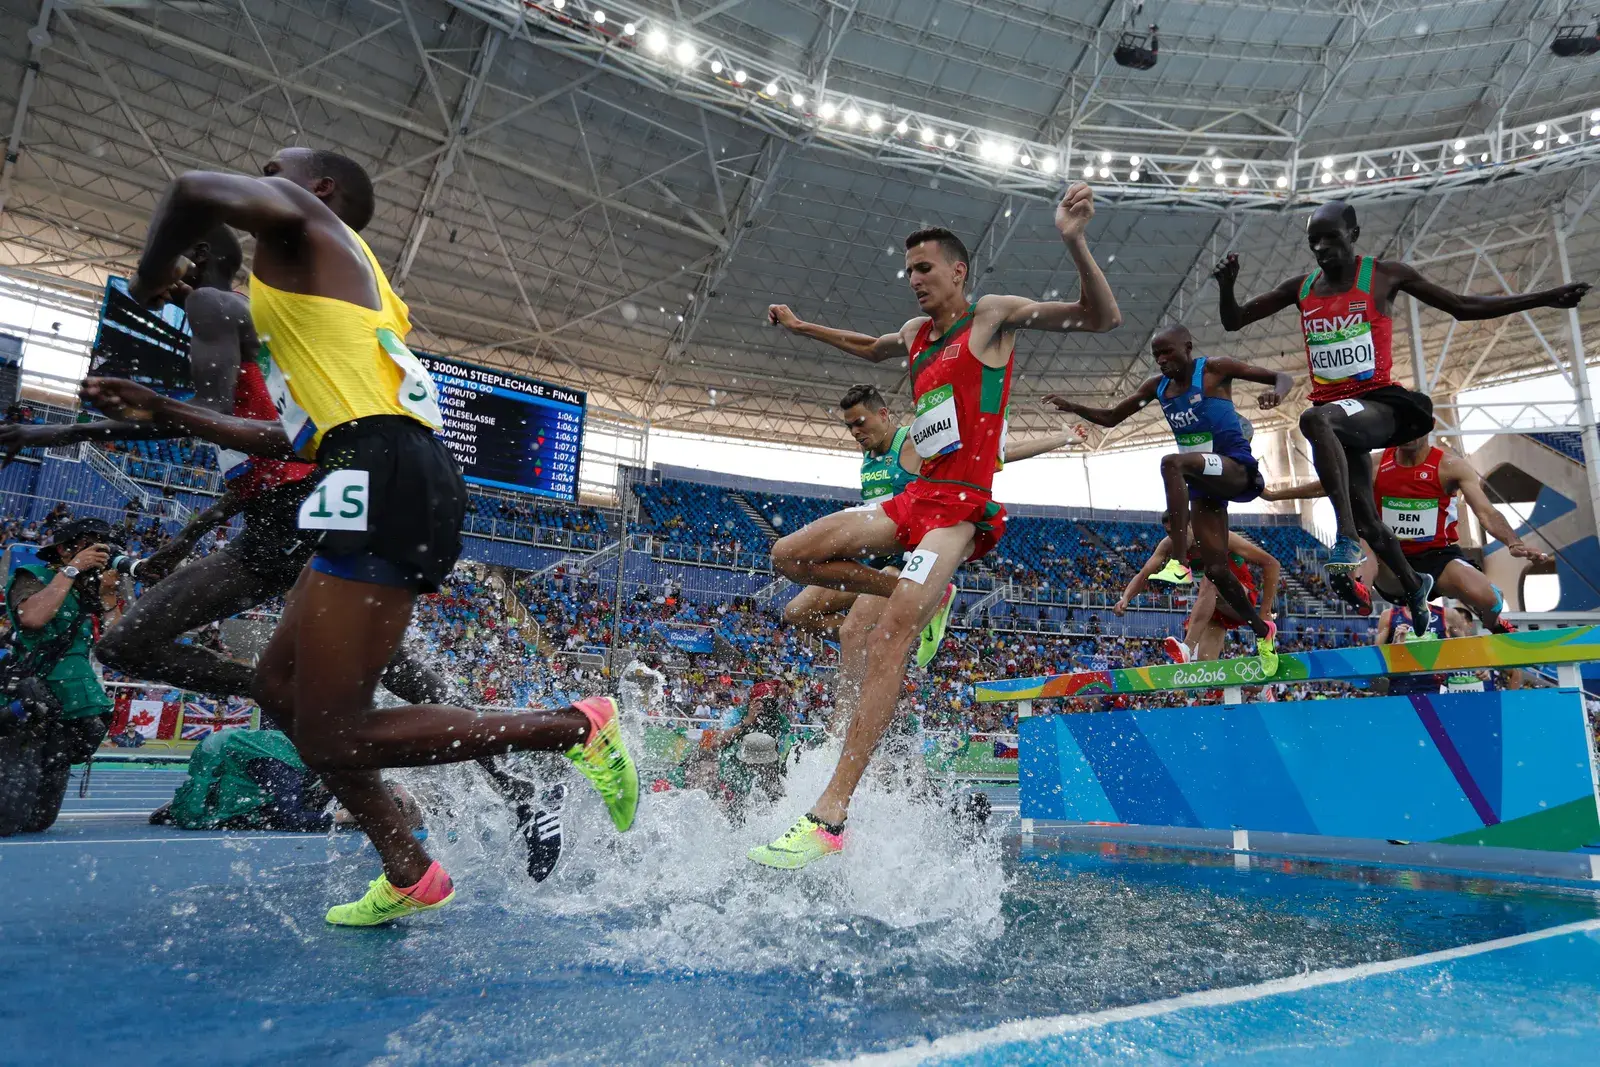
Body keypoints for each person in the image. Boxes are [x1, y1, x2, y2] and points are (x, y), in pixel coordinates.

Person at [85, 146, 637, 925]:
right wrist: (164, 409)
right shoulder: (328, 292)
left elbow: (190, 189)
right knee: (283, 692)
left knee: (336, 730)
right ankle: (411, 869)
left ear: (319, 189)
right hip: (359, 464)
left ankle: (573, 727)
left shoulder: (308, 225)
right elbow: (296, 436)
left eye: (275, 165)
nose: (261, 171)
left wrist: (145, 287)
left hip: (385, 468)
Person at [14, 227, 567, 878]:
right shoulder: (227, 318)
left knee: (390, 677)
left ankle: (528, 764)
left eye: (157, 260)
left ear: (200, 262)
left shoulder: (212, 307)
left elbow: (216, 418)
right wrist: (186, 540)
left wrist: (54, 429)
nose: (144, 274)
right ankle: (501, 781)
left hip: (309, 517)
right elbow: (246, 445)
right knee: (137, 644)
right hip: (276, 523)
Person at [753, 181, 1120, 868]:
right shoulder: (916, 334)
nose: (914, 280)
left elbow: (1100, 317)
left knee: (890, 637)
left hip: (961, 511)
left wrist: (1074, 240)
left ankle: (830, 814)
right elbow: (869, 348)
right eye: (909, 270)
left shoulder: (992, 317)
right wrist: (803, 327)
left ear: (957, 271)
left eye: (925, 268)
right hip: (914, 500)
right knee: (788, 554)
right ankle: (901, 590)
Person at [1213, 199, 1589, 627]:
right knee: (1373, 520)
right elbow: (1234, 322)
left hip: (1381, 405)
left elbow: (1462, 307)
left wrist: (1541, 299)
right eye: (1313, 241)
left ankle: (1347, 538)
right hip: (1340, 419)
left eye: (1330, 238)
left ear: (1353, 235)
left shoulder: (1385, 275)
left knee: (1314, 420)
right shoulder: (1300, 289)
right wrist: (1228, 286)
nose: (1321, 248)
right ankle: (1414, 589)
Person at [1047, 325, 1291, 670]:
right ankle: (1262, 632)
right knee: (1219, 571)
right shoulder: (1157, 388)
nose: (1162, 360)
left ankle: (1179, 563)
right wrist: (1073, 406)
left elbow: (1282, 377)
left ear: (1188, 348)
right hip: (1205, 484)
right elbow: (1113, 417)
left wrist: (1277, 394)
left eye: (1168, 352)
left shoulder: (1215, 369)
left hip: (1235, 468)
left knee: (1172, 463)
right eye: (1156, 355)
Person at [1262, 430, 1550, 633]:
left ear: (1429, 428)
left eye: (1416, 427)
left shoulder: (1450, 467)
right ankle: (1358, 591)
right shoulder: (1374, 464)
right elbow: (1330, 483)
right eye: (1403, 427)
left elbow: (1485, 511)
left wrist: (1513, 542)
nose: (1409, 434)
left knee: (1486, 598)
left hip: (1439, 560)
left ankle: (1494, 623)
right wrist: (1277, 495)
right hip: (1389, 562)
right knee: (1360, 537)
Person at [0, 519, 122, 835]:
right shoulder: (32, 577)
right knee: (7, 816)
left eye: (102, 547)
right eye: (90, 545)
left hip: (71, 701)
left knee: (40, 819)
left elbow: (118, 645)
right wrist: (70, 571)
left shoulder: (88, 592)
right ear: (64, 549)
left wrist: (108, 598)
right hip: (30, 694)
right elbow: (34, 618)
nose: (99, 554)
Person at [1117, 512, 1281, 664]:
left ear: (1191, 525)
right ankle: (1261, 691)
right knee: (1205, 669)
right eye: (1169, 533)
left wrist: (1265, 610)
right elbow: (1143, 574)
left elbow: (1271, 563)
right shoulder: (1169, 545)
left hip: (1241, 599)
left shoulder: (1219, 536)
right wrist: (1125, 597)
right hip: (1215, 606)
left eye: (1178, 533)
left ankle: (1187, 647)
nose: (1175, 539)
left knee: (1212, 576)